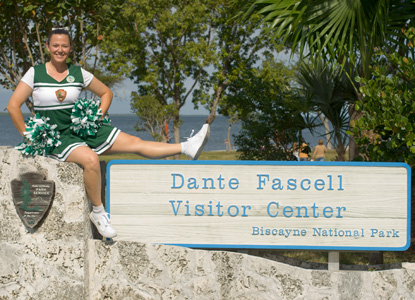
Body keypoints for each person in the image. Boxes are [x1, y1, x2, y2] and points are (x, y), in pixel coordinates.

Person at [6, 28, 210, 239]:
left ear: (71, 48)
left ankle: (187, 146)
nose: (60, 50)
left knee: (134, 142)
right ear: (47, 47)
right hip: (57, 137)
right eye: (55, 45)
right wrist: (30, 137)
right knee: (91, 159)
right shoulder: (35, 72)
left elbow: (106, 93)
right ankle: (99, 213)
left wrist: (95, 117)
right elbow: (13, 106)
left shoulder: (78, 73)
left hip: (81, 130)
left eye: (64, 45)